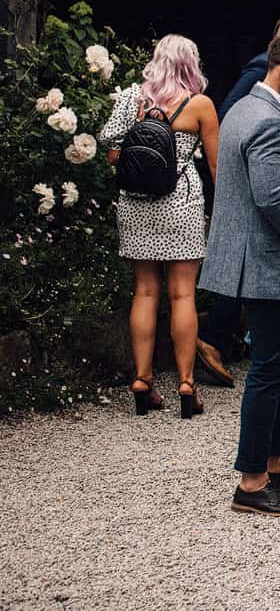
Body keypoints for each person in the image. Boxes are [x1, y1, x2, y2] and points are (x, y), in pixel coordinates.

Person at [199, 31, 280, 518]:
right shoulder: (268, 121)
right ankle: (252, 482)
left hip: (258, 258)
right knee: (271, 369)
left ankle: (274, 463)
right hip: (266, 260)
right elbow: (272, 197)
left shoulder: (243, 108)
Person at [100, 34, 220, 418]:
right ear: (191, 64)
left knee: (145, 292)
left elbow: (109, 147)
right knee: (183, 295)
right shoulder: (199, 104)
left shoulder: (132, 98)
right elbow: (217, 167)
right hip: (181, 204)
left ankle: (142, 379)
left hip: (136, 206)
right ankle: (187, 383)